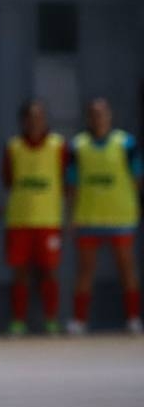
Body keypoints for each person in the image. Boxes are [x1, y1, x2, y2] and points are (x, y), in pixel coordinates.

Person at [67, 98, 142, 334]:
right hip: (89, 216)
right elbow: (72, 184)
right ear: (88, 117)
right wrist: (70, 215)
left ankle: (133, 318)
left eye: (102, 113)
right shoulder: (78, 146)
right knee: (85, 271)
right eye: (93, 114)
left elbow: (138, 178)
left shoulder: (126, 143)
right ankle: (79, 320)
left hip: (120, 216)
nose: (98, 118)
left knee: (127, 268)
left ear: (110, 116)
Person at [1, 99, 66, 335]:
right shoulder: (14, 147)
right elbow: (8, 180)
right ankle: (18, 321)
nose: (35, 121)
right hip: (19, 220)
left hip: (48, 220)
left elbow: (67, 182)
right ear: (23, 120)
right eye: (30, 117)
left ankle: (51, 320)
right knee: (20, 272)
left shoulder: (58, 146)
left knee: (49, 271)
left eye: (39, 117)